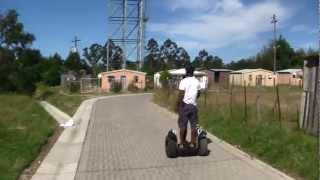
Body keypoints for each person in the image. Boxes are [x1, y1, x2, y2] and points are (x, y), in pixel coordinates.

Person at [175, 64, 201, 148]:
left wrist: (177, 105)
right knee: (194, 125)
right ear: (193, 71)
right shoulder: (197, 81)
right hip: (193, 106)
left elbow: (181, 95)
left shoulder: (183, 81)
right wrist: (193, 99)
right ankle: (193, 143)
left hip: (184, 106)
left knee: (183, 125)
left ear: (186, 71)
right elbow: (199, 94)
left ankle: (182, 143)